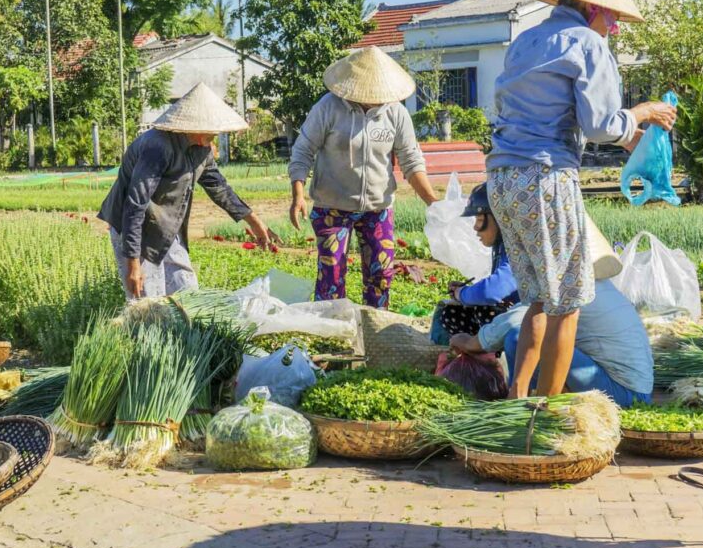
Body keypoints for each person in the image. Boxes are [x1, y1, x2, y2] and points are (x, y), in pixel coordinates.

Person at [486, 0, 677, 398]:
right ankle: (548, 411)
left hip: (504, 178)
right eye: (611, 17)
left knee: (537, 296)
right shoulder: (588, 45)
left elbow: (553, 115)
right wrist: (643, 112)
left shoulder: (526, 41)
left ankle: (518, 400)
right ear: (593, 8)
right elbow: (600, 125)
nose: (614, 27)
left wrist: (632, 137)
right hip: (547, 179)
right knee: (568, 304)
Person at [288, 47, 439, 309]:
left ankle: (374, 328)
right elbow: (303, 151)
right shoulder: (328, 108)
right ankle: (332, 332)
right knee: (332, 276)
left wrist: (433, 202)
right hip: (332, 207)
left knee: (380, 273)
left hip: (378, 209)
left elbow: (411, 161)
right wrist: (298, 195)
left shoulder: (395, 113)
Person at [98, 83, 277, 300]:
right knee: (149, 302)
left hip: (166, 225)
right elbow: (135, 205)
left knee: (187, 293)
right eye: (212, 128)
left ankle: (182, 332)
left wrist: (254, 221)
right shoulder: (157, 147)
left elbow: (219, 187)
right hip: (136, 229)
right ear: (195, 126)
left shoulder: (201, 149)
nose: (216, 133)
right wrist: (133, 264)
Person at [448, 278, 653, 408]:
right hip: (637, 390)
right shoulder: (588, 277)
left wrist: (467, 342)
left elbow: (520, 321)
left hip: (622, 395)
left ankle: (528, 404)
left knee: (518, 337)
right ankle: (539, 399)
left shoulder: (563, 281)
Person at [430, 182, 519, 345]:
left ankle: (488, 358)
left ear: (500, 219)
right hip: (519, 315)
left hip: (528, 320)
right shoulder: (501, 247)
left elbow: (492, 292)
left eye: (479, 219)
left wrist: (461, 293)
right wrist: (467, 292)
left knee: (485, 309)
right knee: (452, 313)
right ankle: (479, 362)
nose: (476, 228)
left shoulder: (517, 249)